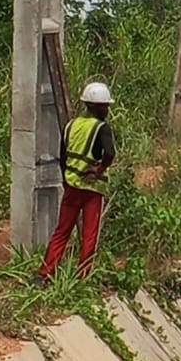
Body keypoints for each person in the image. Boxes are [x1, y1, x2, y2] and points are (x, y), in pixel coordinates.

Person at [38, 81, 116, 282]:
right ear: (96, 106)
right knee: (89, 236)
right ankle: (83, 279)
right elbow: (109, 153)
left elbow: (63, 158)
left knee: (61, 232)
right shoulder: (102, 128)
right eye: (105, 105)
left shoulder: (70, 125)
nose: (107, 109)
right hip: (92, 190)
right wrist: (98, 171)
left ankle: (45, 275)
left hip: (71, 186)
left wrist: (67, 181)